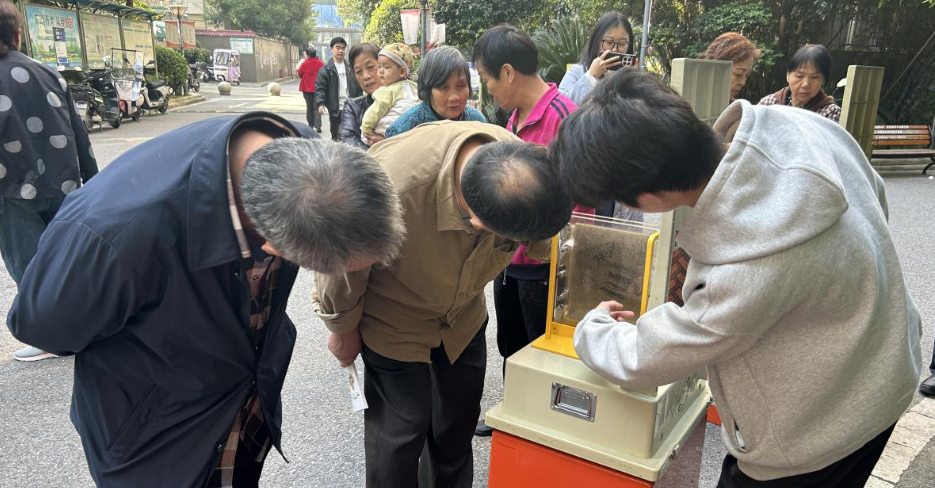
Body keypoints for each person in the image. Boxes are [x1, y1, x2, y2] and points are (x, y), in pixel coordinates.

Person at [551, 69, 921, 488]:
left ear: (650, 197)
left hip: (816, 437)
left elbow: (647, 357)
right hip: (887, 368)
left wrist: (593, 326)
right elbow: (874, 197)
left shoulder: (742, 268)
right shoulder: (796, 124)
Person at [8, 112, 405, 487]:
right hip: (159, 440)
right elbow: (46, 327)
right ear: (272, 249)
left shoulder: (307, 161)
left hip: (243, 409)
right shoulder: (116, 234)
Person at [314, 121, 573, 488]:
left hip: (463, 316)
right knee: (400, 434)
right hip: (395, 319)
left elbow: (544, 240)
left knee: (456, 427)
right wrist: (342, 327)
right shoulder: (389, 186)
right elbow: (340, 264)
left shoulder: (525, 171)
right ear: (478, 223)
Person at [470, 24, 588, 437]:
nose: (487, 90)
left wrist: (562, 259)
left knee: (542, 348)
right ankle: (515, 412)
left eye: (486, 79)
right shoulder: (515, 118)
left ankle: (541, 427)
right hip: (509, 258)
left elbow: (583, 202)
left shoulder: (563, 117)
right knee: (512, 343)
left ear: (507, 72)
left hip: (545, 264)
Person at [0, 1, 99, 362]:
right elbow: (77, 130)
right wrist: (94, 180)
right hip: (63, 181)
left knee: (30, 265)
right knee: (66, 258)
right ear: (17, 34)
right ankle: (88, 324)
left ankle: (52, 337)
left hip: (11, 189)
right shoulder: (47, 73)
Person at [384, 46, 486, 139]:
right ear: (427, 89)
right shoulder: (405, 129)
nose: (454, 97)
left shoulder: (478, 122)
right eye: (444, 87)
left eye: (461, 86)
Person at [558, 11, 635, 105]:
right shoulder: (576, 72)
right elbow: (561, 107)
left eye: (622, 44)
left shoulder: (632, 77)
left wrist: (632, 80)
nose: (615, 50)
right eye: (609, 42)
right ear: (597, 42)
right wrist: (591, 76)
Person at [759, 44, 841, 121]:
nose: (805, 84)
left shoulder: (830, 112)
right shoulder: (769, 103)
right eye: (799, 76)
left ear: (823, 80)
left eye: (814, 77)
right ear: (788, 75)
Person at [360, 43, 419, 144]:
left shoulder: (387, 91)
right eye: (379, 67)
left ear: (402, 71)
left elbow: (375, 111)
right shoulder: (415, 87)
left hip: (385, 132)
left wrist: (366, 128)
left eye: (386, 67)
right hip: (410, 135)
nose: (381, 71)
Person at [316, 37, 362, 140]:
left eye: (343, 48)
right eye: (337, 48)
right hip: (335, 109)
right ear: (331, 49)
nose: (340, 51)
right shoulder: (326, 70)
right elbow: (320, 88)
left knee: (353, 135)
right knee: (336, 136)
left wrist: (360, 102)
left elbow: (359, 85)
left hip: (351, 107)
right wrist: (321, 103)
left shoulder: (351, 67)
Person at [339, 43, 384, 149]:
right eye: (359, 72)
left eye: (371, 67)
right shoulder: (353, 107)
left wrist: (387, 142)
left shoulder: (407, 100)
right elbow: (348, 142)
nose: (366, 76)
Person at [701, 32, 760, 102]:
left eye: (747, 75)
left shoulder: (738, 108)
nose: (743, 82)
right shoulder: (691, 103)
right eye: (738, 74)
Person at [297, 47, 324, 132]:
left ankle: (310, 125)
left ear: (308, 55)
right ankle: (318, 126)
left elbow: (300, 75)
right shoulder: (321, 64)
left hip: (306, 89)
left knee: (309, 108)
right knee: (317, 108)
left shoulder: (305, 64)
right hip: (318, 89)